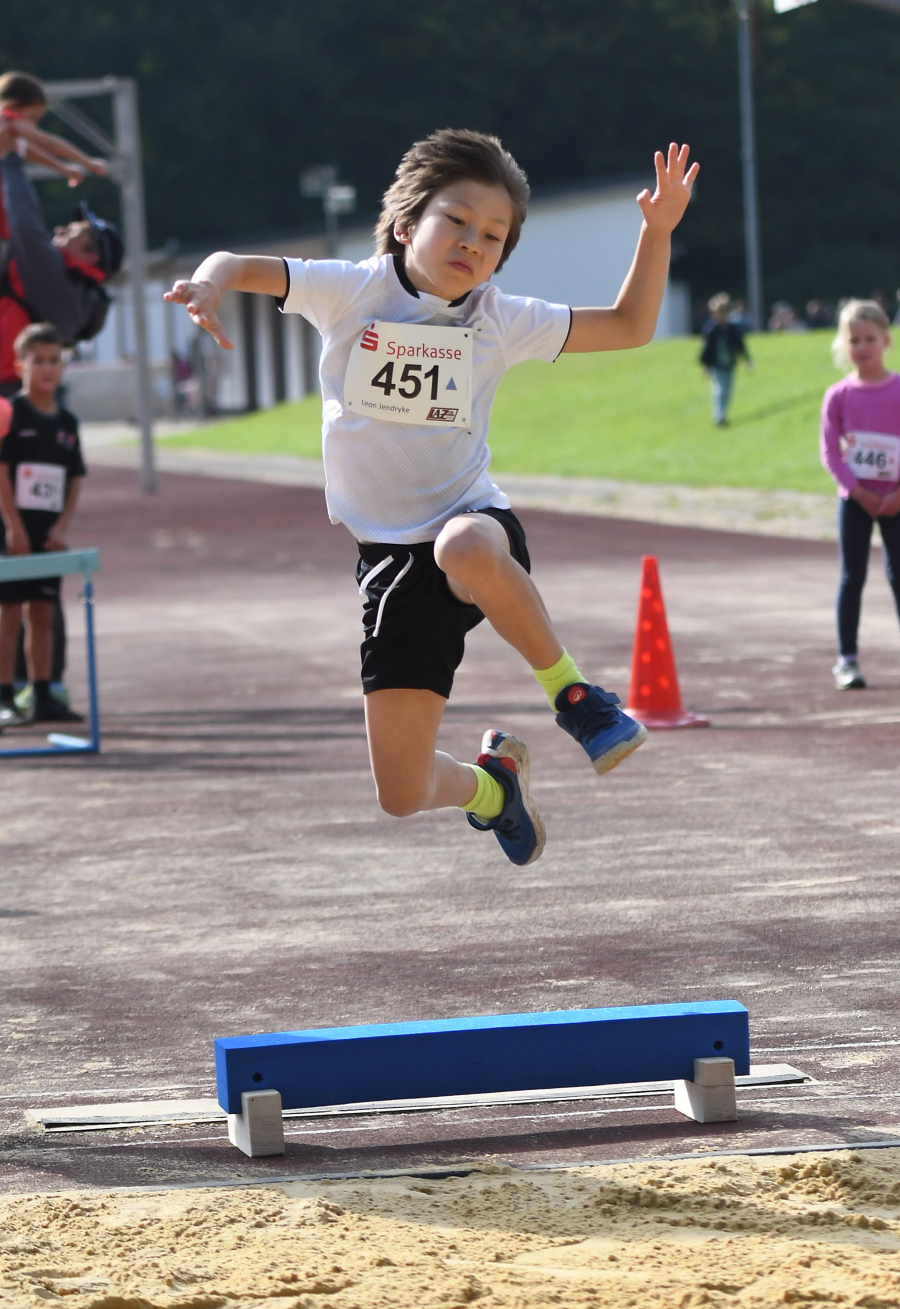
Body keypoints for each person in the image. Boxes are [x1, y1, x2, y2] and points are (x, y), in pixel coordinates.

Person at [166, 129, 698, 867]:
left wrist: (658, 231)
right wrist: (209, 285)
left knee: (464, 545)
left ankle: (577, 697)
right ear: (408, 222)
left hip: (475, 526)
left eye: (493, 235)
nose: (473, 243)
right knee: (402, 789)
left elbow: (632, 325)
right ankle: (495, 787)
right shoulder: (351, 289)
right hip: (390, 558)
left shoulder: (497, 317)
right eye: (457, 220)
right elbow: (235, 263)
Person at [0, 323, 86, 726]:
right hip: (13, 532)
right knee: (9, 612)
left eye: (54, 361)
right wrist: (13, 526)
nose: (47, 369)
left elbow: (75, 477)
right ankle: (4, 697)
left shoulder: (67, 422)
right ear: (20, 366)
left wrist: (62, 528)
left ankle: (43, 694)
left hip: (49, 535)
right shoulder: (10, 415)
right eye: (38, 362)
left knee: (45, 613)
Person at [820, 299, 900, 691]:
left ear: (885, 340)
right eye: (854, 339)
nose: (862, 346)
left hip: (897, 500)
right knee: (853, 576)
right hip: (856, 500)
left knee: (898, 574)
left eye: (870, 338)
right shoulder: (838, 396)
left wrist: (897, 493)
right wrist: (859, 492)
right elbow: (830, 453)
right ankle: (847, 660)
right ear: (843, 344)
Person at [0, 71, 107, 200]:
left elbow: (24, 149)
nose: (33, 126)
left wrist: (61, 168)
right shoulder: (9, 121)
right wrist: (87, 161)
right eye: (33, 118)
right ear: (13, 105)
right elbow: (46, 141)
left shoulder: (7, 134)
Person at [699, 292, 752, 427]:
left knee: (727, 391)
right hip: (717, 365)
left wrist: (747, 361)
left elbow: (740, 345)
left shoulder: (732, 329)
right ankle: (719, 416)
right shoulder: (712, 330)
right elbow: (707, 350)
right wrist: (706, 366)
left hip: (729, 364)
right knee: (719, 390)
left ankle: (722, 413)